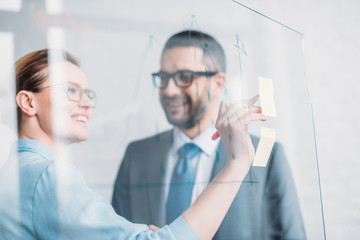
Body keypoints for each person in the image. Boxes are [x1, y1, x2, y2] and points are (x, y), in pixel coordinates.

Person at [0, 48, 265, 240]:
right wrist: (238, 162)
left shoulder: (15, 174)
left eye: (87, 93)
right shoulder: (47, 176)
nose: (88, 103)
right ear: (28, 102)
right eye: (70, 90)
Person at [112, 30, 306, 239]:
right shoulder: (137, 155)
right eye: (163, 77)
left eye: (184, 77)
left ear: (218, 84)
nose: (168, 90)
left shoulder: (265, 157)